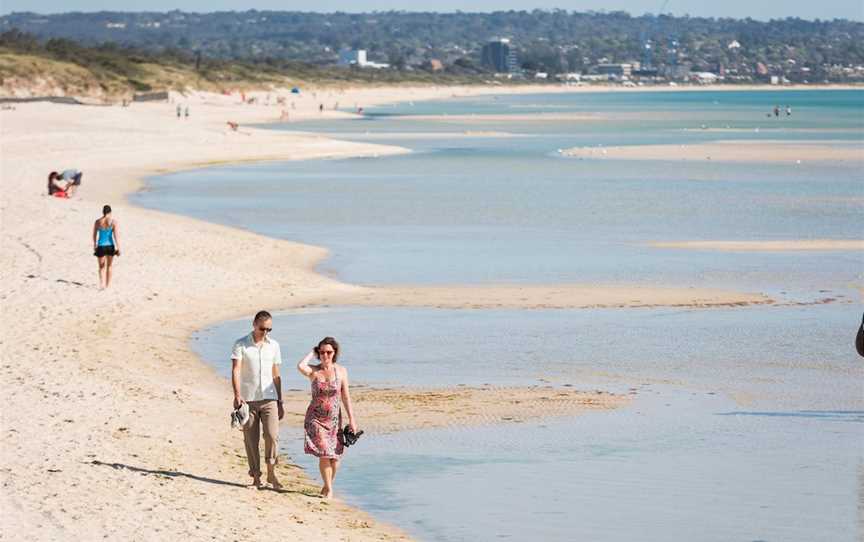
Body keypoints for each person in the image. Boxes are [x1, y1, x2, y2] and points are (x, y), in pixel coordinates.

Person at [297, 337, 359, 499]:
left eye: (329, 352)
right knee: (325, 453)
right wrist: (312, 352)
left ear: (335, 353)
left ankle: (326, 485)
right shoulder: (314, 371)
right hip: (315, 419)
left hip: (334, 421)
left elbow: (346, 397)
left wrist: (352, 419)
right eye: (322, 352)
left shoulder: (341, 371)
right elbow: (300, 366)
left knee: (336, 456)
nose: (325, 355)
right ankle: (330, 490)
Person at [231, 311, 284, 489]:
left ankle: (271, 473)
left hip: (270, 398)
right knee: (250, 440)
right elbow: (236, 370)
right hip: (249, 399)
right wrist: (237, 395)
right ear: (254, 324)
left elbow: (276, 374)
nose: (265, 332)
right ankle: (256, 477)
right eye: (262, 328)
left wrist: (280, 400)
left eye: (269, 329)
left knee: (272, 435)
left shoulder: (274, 345)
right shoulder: (241, 344)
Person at [92, 205, 120, 289]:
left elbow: (94, 235)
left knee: (101, 267)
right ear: (110, 212)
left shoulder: (97, 221)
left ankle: (101, 284)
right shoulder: (113, 222)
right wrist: (118, 247)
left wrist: (94, 245)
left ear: (103, 212)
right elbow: (116, 236)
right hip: (110, 246)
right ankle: (108, 285)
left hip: (101, 246)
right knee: (109, 266)